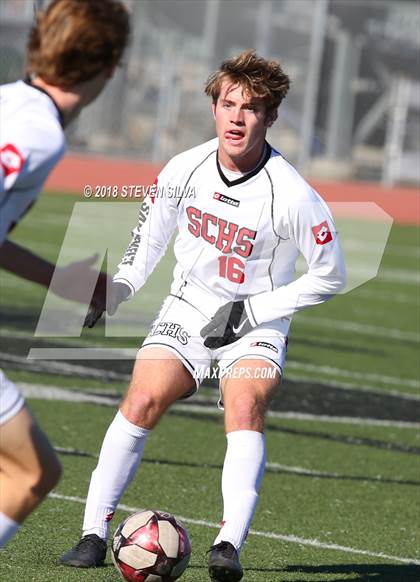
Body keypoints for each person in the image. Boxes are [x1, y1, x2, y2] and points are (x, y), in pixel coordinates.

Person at [61, 50, 346, 581]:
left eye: (253, 108)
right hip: (189, 308)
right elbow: (148, 240)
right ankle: (94, 534)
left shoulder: (294, 195)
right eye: (229, 103)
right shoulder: (183, 168)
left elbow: (330, 275)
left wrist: (251, 311)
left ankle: (227, 547)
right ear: (213, 107)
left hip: (258, 321)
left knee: (245, 405)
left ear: (271, 116)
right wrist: (118, 287)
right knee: (141, 398)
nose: (239, 117)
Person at [0, 0, 130, 548]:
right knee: (31, 471)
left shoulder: (10, 102)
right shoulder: (37, 134)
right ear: (109, 67)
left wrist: (65, 282)